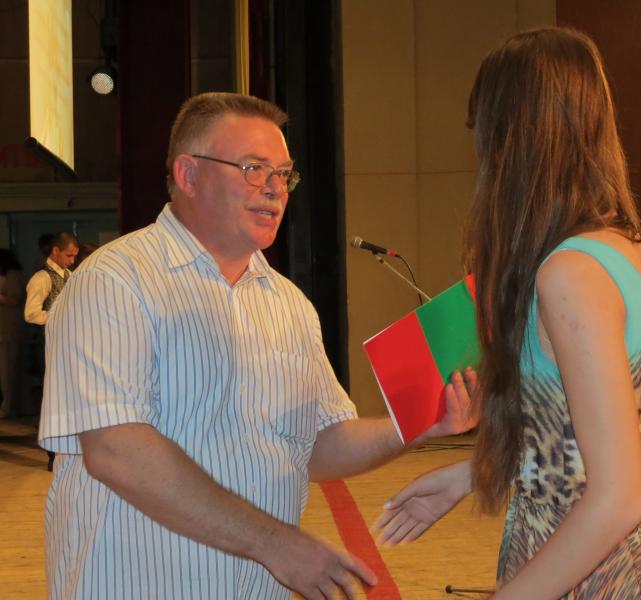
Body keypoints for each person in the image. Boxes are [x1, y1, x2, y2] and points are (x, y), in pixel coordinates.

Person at [38, 92, 476, 600]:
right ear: (188, 175)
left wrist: (416, 421)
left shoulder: (289, 305)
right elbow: (116, 451)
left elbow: (319, 445)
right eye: (253, 169)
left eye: (284, 174)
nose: (274, 189)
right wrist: (274, 543)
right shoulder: (116, 281)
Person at [373, 28, 641, 599]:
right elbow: (603, 444)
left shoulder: (570, 274)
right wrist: (470, 476)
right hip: (614, 558)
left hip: (587, 567)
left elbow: (617, 498)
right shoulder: (636, 250)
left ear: (511, 137)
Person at [23, 231, 78, 327]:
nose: (72, 261)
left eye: (74, 256)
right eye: (69, 255)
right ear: (55, 250)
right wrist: (61, 317)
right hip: (51, 334)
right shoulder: (41, 278)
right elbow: (31, 315)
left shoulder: (70, 274)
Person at [0, 249, 26, 418]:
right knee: (13, 370)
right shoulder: (11, 275)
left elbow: (15, 299)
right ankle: (19, 406)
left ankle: (7, 407)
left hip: (9, 330)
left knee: (8, 371)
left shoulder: (13, 275)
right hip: (7, 329)